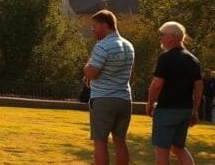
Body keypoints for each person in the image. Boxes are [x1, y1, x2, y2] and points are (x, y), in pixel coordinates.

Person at [147, 21, 203, 165]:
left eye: (162, 35)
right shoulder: (193, 60)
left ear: (172, 37)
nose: (160, 38)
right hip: (185, 110)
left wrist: (150, 103)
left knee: (162, 150)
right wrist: (195, 110)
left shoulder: (165, 58)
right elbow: (198, 87)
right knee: (179, 148)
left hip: (167, 110)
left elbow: (156, 84)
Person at [84, 10, 135, 165]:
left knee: (100, 141)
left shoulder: (103, 45)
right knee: (120, 141)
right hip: (125, 98)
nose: (92, 29)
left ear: (105, 25)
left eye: (95, 26)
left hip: (103, 99)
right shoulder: (128, 45)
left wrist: (86, 66)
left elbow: (92, 72)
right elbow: (130, 75)